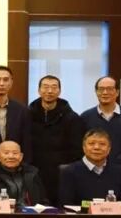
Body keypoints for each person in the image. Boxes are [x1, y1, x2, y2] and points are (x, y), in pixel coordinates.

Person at [28, 75, 84, 206]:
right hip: (33, 172)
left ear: (59, 91)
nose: (49, 91)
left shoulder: (72, 118)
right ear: (39, 90)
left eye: (54, 87)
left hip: (61, 174)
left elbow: (77, 150)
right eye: (45, 87)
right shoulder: (28, 115)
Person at [58, 129, 121, 211]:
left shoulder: (120, 172)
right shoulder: (69, 172)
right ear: (84, 148)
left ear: (109, 149)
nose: (97, 147)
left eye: (102, 144)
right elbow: (65, 205)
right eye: (91, 143)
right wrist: (92, 208)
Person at [80, 77, 121, 170]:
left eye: (109, 89)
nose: (105, 92)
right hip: (92, 171)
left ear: (117, 92)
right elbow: (82, 145)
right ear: (96, 92)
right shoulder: (85, 117)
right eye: (101, 89)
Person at [0, 141, 49, 207]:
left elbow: (43, 201)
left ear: (21, 156)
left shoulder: (32, 174)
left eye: (15, 153)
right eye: (6, 153)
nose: (11, 156)